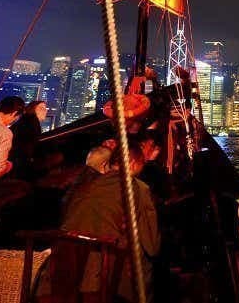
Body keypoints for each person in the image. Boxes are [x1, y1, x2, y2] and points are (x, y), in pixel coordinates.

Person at [61, 144, 160, 302]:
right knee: (146, 257)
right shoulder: (138, 188)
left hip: (66, 267)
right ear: (133, 164)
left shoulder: (85, 185)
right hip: (106, 270)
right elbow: (151, 243)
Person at [8, 100, 47, 179]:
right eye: (41, 108)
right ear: (32, 109)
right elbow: (31, 144)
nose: (45, 110)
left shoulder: (24, 120)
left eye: (45, 108)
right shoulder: (31, 121)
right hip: (19, 164)